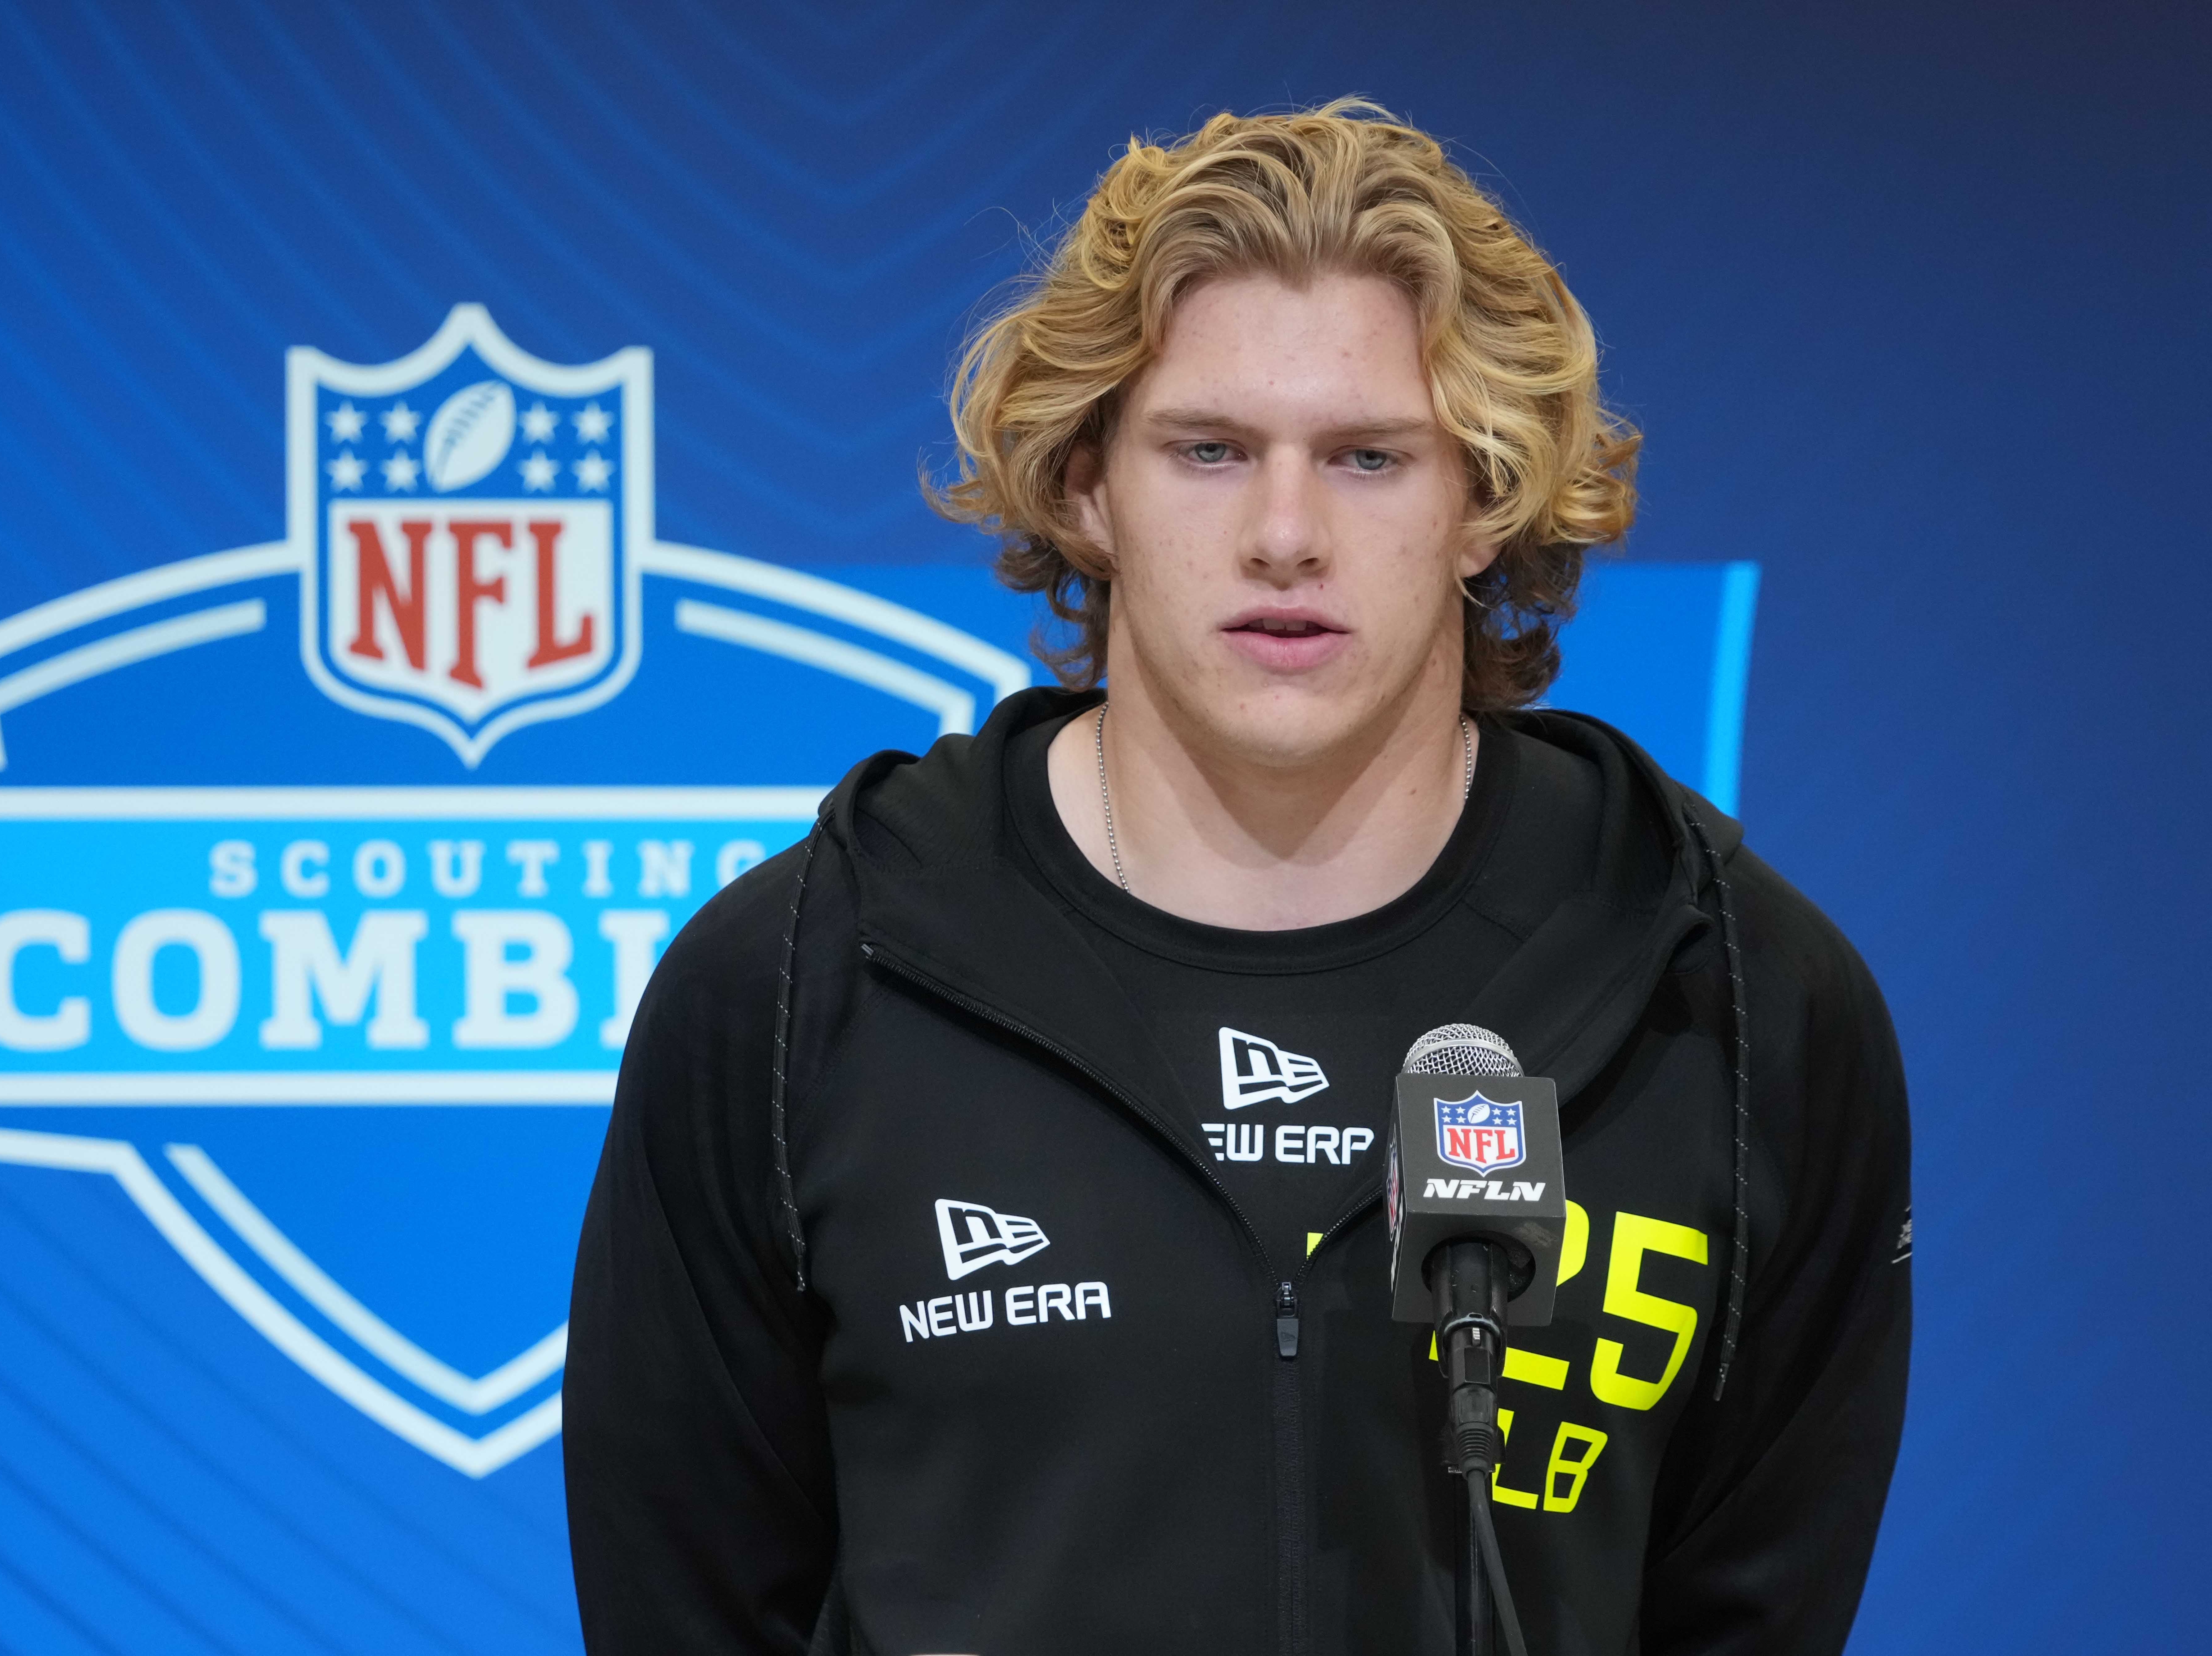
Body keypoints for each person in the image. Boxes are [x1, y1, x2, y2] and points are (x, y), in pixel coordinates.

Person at [564, 101, 1910, 1656]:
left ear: (1481, 502)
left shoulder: (1737, 993)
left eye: (1367, 457)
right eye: (1208, 451)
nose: (1286, 534)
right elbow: (687, 1598)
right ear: (1086, 489)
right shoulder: (805, 977)